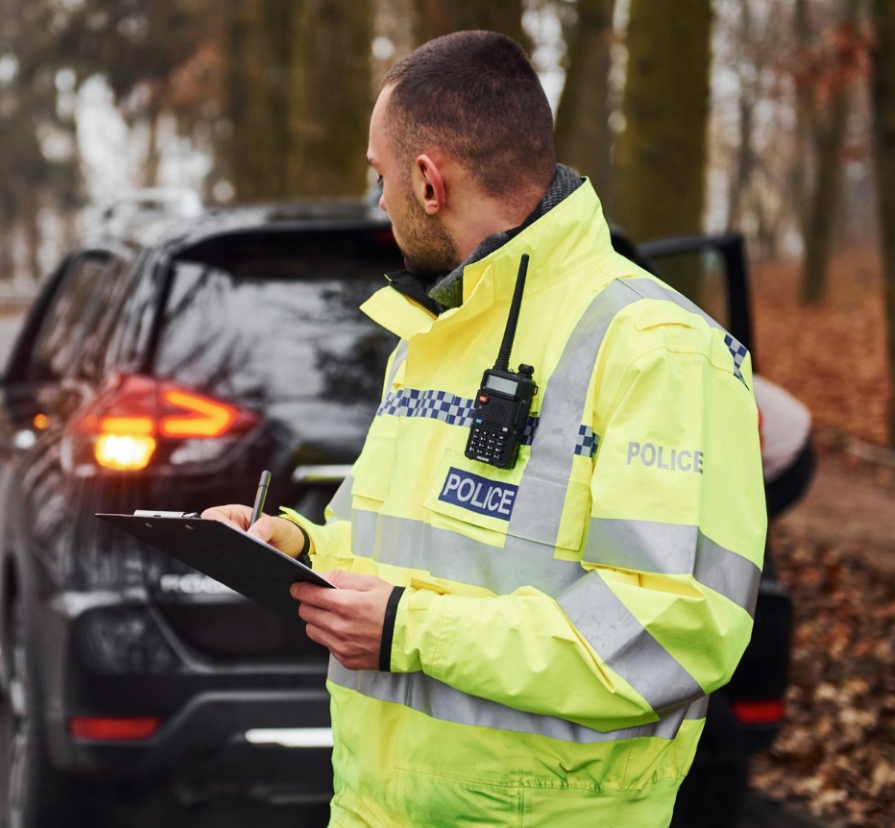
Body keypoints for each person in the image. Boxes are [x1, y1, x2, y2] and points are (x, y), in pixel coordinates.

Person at [202, 31, 765, 828]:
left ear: (428, 181)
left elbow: (673, 631)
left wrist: (407, 628)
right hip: (375, 807)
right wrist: (296, 545)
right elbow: (404, 550)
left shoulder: (660, 350)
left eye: (380, 177)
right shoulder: (431, 333)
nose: (379, 202)